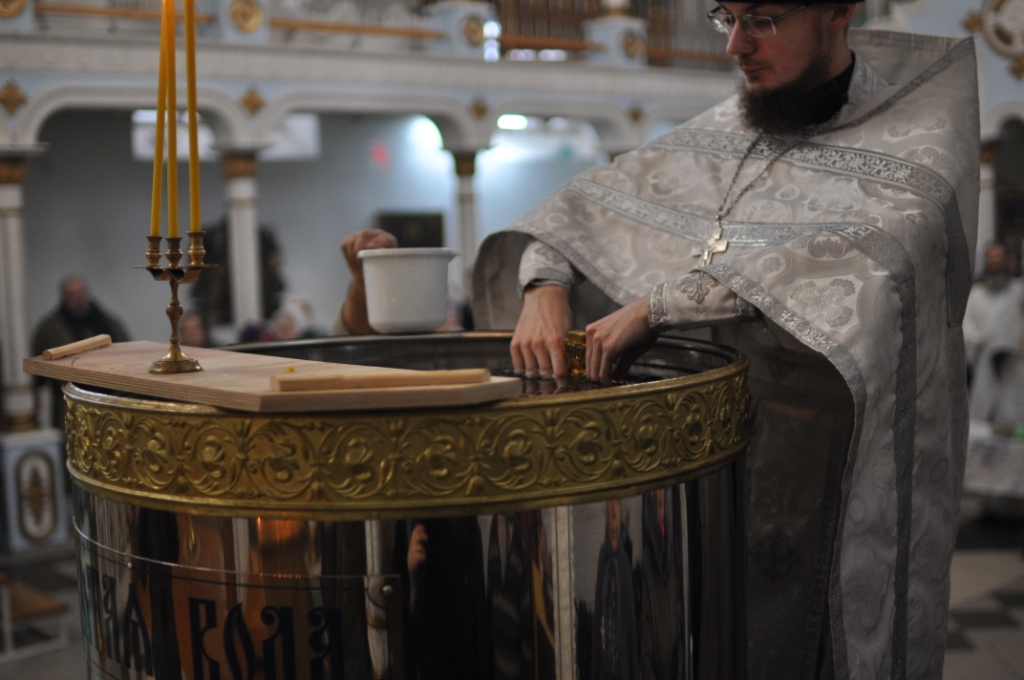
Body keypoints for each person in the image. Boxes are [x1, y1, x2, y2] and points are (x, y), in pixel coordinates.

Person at [468, 5, 979, 680]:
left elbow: (871, 263)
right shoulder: (723, 129)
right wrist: (544, 285)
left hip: (831, 474)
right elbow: (584, 209)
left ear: (835, 12)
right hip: (704, 484)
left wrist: (661, 306)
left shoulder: (917, 137)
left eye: (761, 18)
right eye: (725, 17)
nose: (736, 45)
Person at [32, 275, 130, 428]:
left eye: (81, 292)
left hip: (111, 400)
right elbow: (37, 376)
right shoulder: (50, 329)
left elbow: (128, 354)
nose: (78, 298)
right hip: (71, 404)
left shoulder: (109, 323)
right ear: (64, 297)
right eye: (72, 294)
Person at [965, 243, 1024, 420]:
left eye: (999, 258)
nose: (995, 262)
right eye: (991, 259)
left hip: (1015, 364)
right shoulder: (975, 295)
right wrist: (980, 340)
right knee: (983, 417)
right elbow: (966, 327)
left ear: (1007, 261)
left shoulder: (1019, 291)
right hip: (984, 364)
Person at [592, 499, 639, 680]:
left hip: (621, 663)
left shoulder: (624, 563)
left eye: (616, 508)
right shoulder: (603, 558)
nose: (614, 513)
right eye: (611, 507)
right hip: (605, 664)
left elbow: (630, 621)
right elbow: (598, 613)